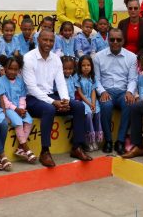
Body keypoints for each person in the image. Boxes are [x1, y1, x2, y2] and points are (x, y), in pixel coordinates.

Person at [22, 30, 92, 167]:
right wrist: (54, 102)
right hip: (32, 98)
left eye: (51, 41)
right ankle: (45, 151)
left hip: (50, 96)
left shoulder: (55, 59)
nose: (48, 43)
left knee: (79, 106)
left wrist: (65, 100)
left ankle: (77, 147)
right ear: (38, 40)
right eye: (45, 40)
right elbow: (32, 88)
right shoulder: (28, 58)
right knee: (49, 109)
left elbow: (60, 82)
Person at [94, 28, 137, 154]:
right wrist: (102, 92)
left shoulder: (132, 57)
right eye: (112, 39)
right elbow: (96, 79)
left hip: (123, 91)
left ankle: (120, 141)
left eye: (118, 39)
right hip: (106, 91)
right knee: (106, 105)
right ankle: (108, 141)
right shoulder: (98, 57)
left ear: (123, 41)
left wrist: (129, 92)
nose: (115, 42)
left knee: (129, 103)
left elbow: (133, 79)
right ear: (108, 40)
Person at [0, 56, 36, 163]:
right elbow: (4, 100)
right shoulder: (0, 81)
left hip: (19, 108)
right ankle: (26, 148)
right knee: (18, 122)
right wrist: (16, 109)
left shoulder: (20, 81)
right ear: (5, 68)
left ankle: (20, 148)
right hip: (8, 108)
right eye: (10, 68)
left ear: (19, 70)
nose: (12, 71)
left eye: (15, 69)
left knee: (29, 120)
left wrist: (21, 109)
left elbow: (22, 97)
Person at [76, 55, 103, 151]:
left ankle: (95, 139)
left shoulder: (92, 77)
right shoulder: (78, 78)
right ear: (80, 67)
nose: (86, 67)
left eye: (88, 65)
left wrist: (93, 103)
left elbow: (93, 92)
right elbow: (80, 93)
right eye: (83, 65)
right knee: (88, 115)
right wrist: (89, 103)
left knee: (97, 113)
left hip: (92, 100)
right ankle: (89, 140)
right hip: (83, 101)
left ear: (91, 66)